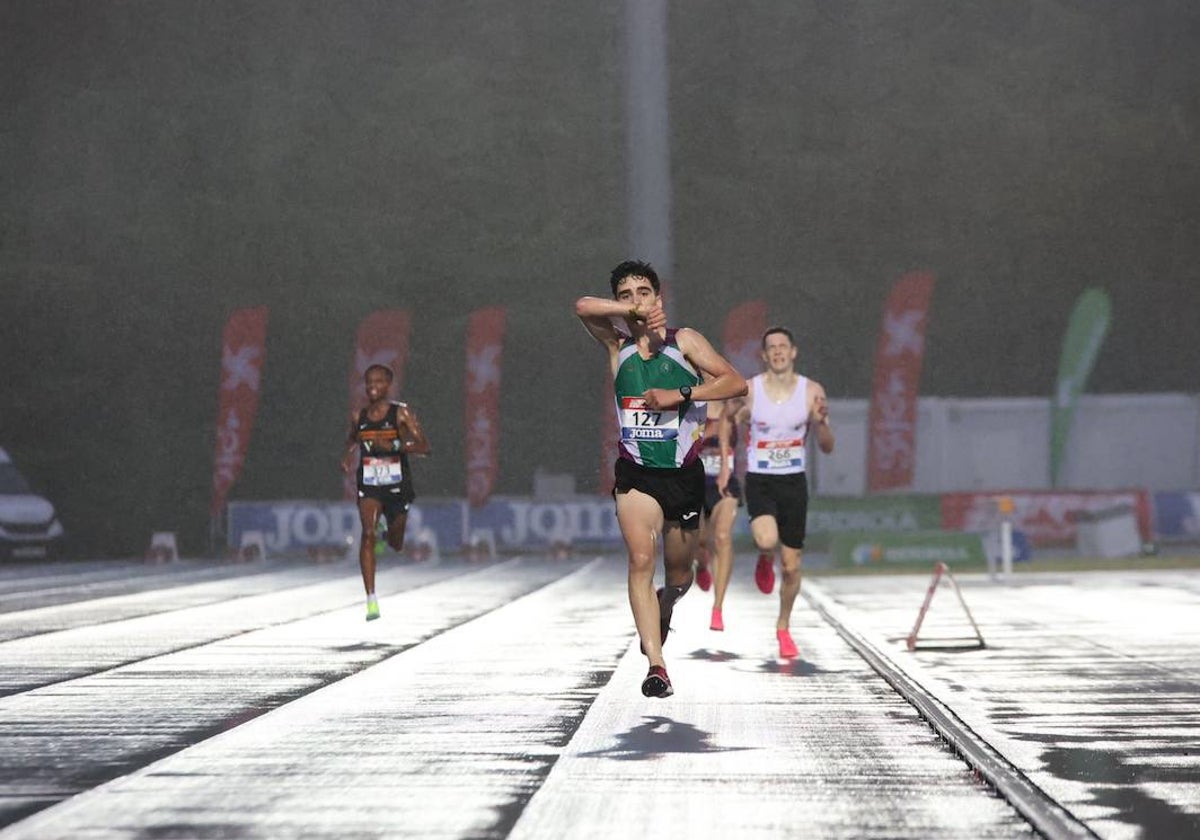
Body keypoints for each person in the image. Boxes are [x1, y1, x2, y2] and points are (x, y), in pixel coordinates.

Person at [575, 260, 748, 698]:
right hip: (636, 476)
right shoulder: (618, 347)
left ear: (659, 300)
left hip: (683, 478)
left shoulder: (684, 342)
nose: (636, 300)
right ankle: (657, 665)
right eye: (626, 294)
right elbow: (581, 307)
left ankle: (665, 603)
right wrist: (624, 312)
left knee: (678, 578)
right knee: (638, 558)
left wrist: (682, 394)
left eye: (644, 292)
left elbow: (735, 383)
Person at [729, 327, 834, 659]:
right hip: (760, 479)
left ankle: (783, 627)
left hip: (793, 482)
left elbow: (828, 447)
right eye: (771, 347)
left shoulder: (811, 391)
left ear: (793, 352)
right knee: (765, 541)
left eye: (782, 346)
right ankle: (763, 558)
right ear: (764, 355)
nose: (777, 351)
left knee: (791, 566)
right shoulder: (748, 389)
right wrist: (734, 421)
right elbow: (726, 423)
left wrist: (822, 424)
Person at [340, 363, 431, 621]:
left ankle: (386, 533)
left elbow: (424, 446)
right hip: (369, 482)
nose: (372, 387)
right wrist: (347, 457)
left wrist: (396, 444)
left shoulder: (400, 413)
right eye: (368, 382)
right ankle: (371, 599)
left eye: (378, 382)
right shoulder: (359, 416)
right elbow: (351, 439)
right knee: (366, 533)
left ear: (388, 385)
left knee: (396, 543)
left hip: (397, 484)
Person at [696, 397, 742, 632]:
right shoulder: (688, 405)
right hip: (694, 484)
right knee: (701, 541)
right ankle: (701, 563)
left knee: (723, 537)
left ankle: (718, 608)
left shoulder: (731, 408)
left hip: (724, 484)